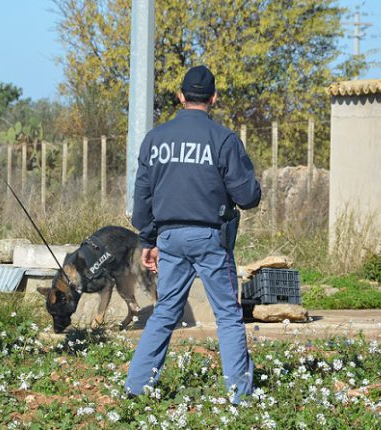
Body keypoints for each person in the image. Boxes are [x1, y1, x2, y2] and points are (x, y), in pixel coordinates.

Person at [125, 65, 262, 403]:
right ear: (213, 98)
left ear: (181, 96)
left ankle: (136, 387)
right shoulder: (224, 139)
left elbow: (143, 198)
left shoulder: (154, 140)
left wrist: (147, 239)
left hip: (169, 240)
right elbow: (247, 197)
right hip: (211, 240)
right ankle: (238, 396)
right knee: (228, 315)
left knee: (166, 313)